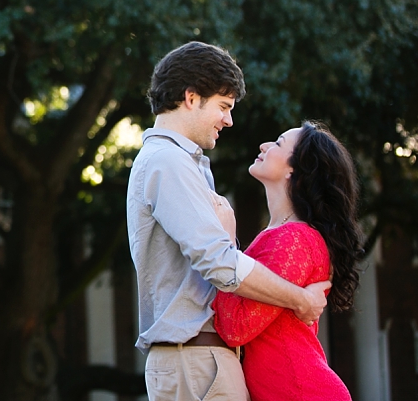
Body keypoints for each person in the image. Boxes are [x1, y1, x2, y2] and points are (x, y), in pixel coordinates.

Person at [127, 41, 330, 401]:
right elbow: (219, 262)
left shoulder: (179, 162)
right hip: (196, 360)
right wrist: (299, 299)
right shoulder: (168, 163)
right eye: (223, 106)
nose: (229, 120)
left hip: (198, 360)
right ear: (191, 97)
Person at [212, 121, 363, 401]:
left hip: (301, 390)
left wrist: (225, 245)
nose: (264, 146)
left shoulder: (295, 239)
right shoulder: (281, 235)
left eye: (278, 144)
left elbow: (236, 327)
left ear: (296, 168)